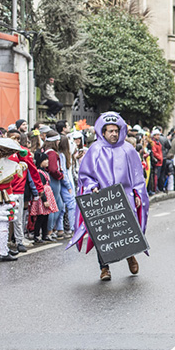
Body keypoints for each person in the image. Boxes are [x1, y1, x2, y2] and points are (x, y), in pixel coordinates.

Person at [68, 112, 150, 281]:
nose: (113, 134)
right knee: (101, 234)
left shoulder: (128, 150)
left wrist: (137, 193)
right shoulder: (95, 150)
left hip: (125, 197)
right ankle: (104, 268)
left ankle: (130, 256)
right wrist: (92, 187)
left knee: (127, 231)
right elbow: (85, 175)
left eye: (116, 130)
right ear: (103, 132)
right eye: (110, 131)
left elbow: (137, 175)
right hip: (102, 198)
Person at [31, 152, 58, 244]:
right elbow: (40, 187)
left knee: (46, 216)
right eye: (45, 160)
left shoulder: (45, 172)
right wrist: (45, 199)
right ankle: (37, 235)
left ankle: (44, 234)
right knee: (40, 217)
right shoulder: (39, 173)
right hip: (43, 196)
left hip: (47, 194)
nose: (47, 161)